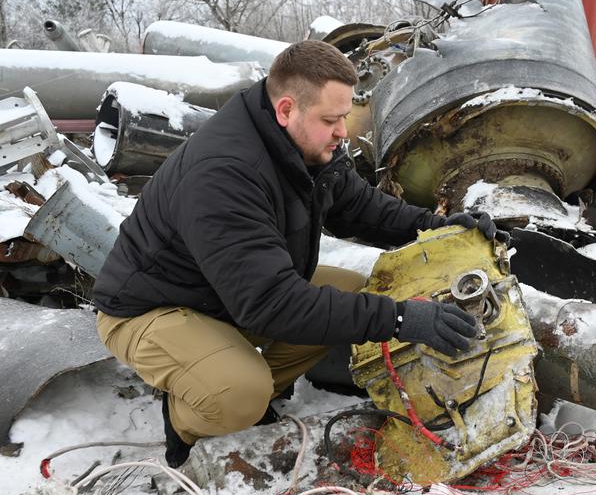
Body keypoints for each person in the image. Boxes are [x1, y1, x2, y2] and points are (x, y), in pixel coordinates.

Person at [93, 40, 506, 468]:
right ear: (287, 109)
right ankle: (188, 415)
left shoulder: (301, 143)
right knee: (239, 393)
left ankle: (236, 381)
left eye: (344, 116)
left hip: (223, 295)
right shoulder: (224, 175)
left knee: (349, 289)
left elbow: (359, 207)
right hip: (151, 309)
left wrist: (437, 227)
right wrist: (400, 319)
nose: (343, 131)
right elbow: (271, 304)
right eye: (331, 119)